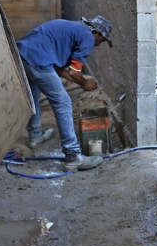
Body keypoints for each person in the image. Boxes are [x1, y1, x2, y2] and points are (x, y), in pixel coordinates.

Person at [15, 15, 114, 171]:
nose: (99, 45)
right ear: (97, 33)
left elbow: (59, 69)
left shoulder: (74, 29)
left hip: (23, 54)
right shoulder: (88, 37)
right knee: (63, 103)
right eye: (102, 40)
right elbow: (75, 73)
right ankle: (73, 156)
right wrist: (84, 83)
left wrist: (81, 83)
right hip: (39, 59)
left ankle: (35, 136)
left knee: (33, 95)